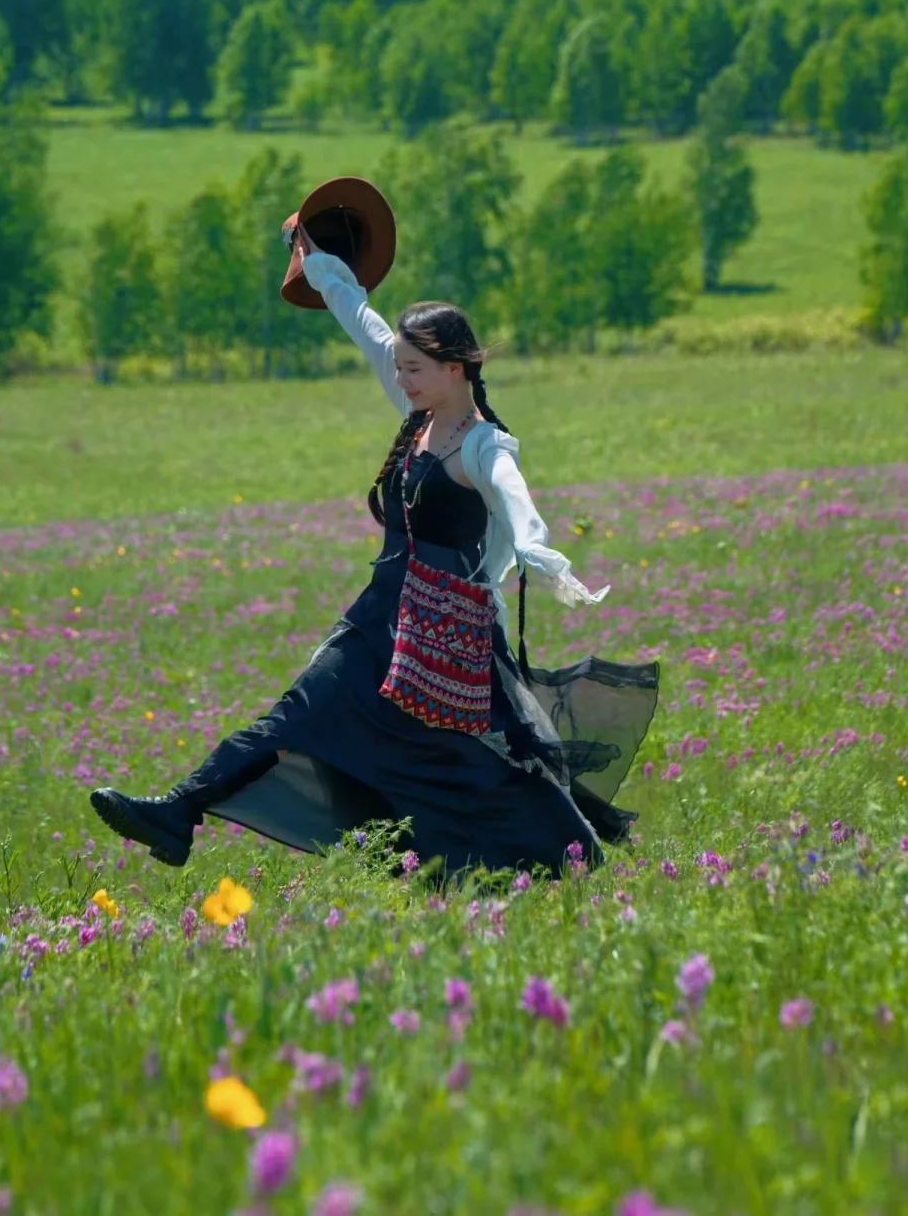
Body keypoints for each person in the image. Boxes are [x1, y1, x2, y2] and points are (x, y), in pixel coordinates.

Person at [90, 225, 656, 879]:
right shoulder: (418, 410)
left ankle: (565, 862)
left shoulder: (483, 446)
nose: (401, 377)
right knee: (296, 715)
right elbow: (363, 321)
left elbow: (515, 499)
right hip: (378, 618)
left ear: (455, 368)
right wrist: (317, 263)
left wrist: (540, 553)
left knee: (478, 772)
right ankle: (176, 814)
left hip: (447, 636)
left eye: (415, 369)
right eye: (401, 367)